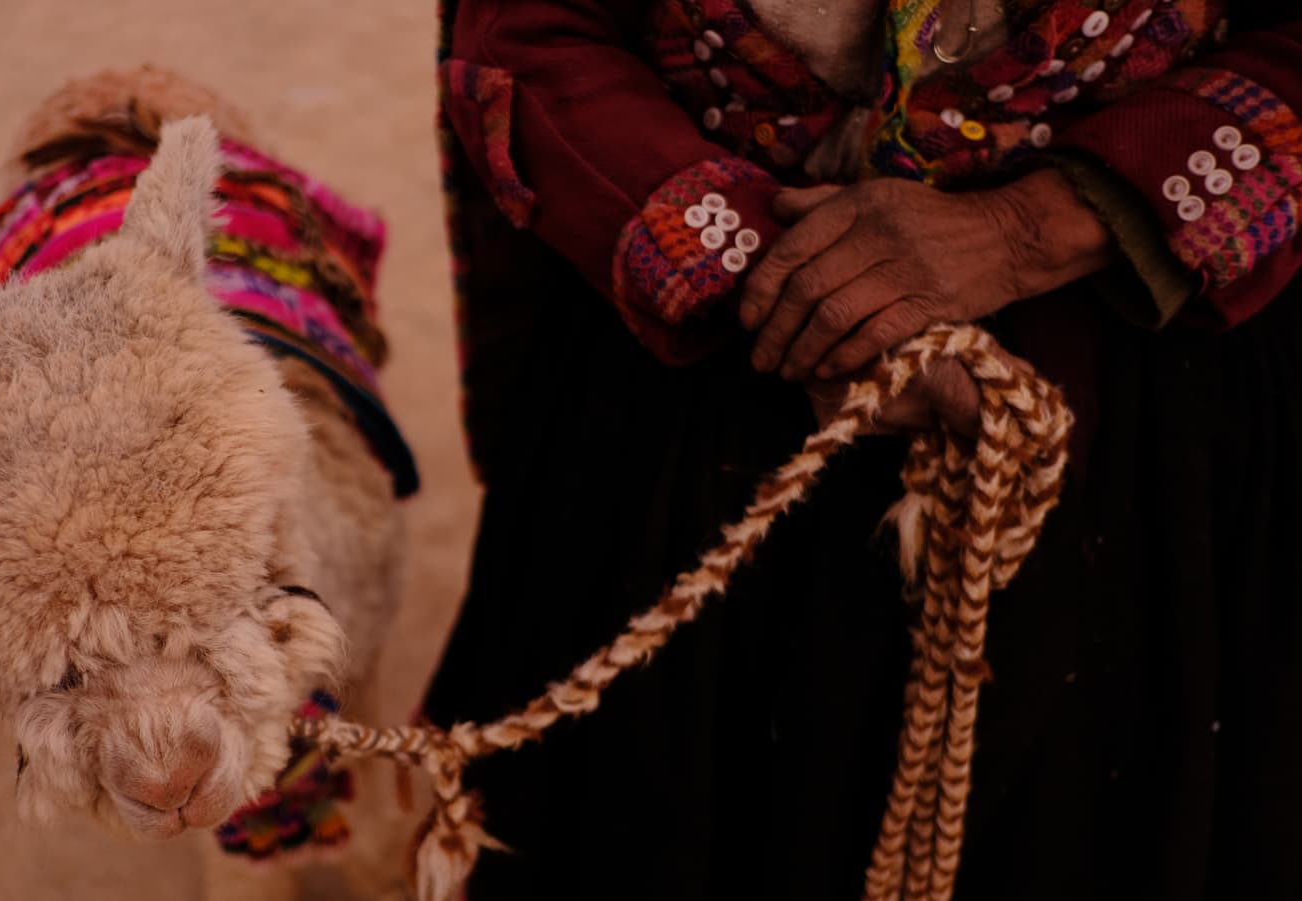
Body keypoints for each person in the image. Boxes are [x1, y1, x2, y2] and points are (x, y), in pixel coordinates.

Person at [420, 1, 1302, 898]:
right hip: (694, 411)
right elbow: (528, 32)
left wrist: (1032, 228)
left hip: (1155, 421)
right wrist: (786, 284)